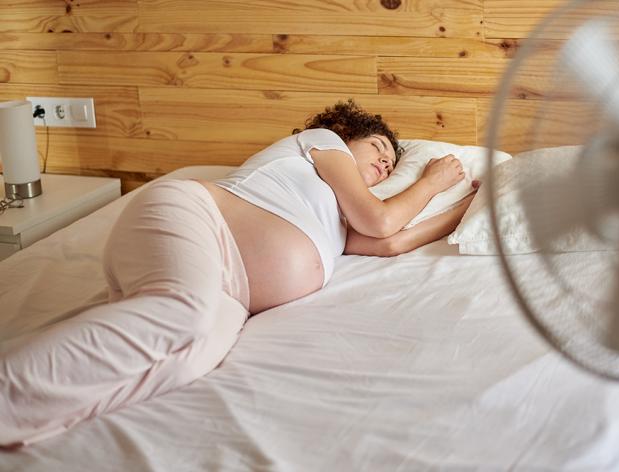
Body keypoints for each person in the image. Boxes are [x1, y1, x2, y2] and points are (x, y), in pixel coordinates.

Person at [0, 99, 476, 447]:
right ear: (344, 132)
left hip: (233, 291)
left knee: (190, 360)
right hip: (198, 217)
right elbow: (381, 219)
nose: (382, 164)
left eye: (390, 165)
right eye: (375, 149)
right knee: (180, 315)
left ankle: (29, 422)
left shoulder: (337, 217)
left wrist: (467, 212)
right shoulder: (320, 144)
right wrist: (432, 181)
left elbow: (390, 241)